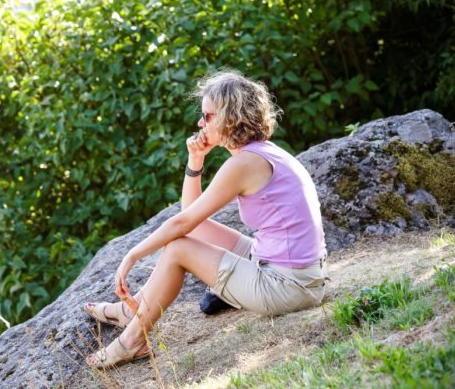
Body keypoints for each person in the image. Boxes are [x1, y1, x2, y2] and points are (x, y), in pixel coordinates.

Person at [83, 69, 328, 368]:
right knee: (191, 236)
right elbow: (192, 217)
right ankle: (129, 311)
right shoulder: (261, 153)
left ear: (230, 117)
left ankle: (132, 341)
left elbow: (182, 224)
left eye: (207, 116)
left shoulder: (246, 163)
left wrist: (132, 255)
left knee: (178, 249)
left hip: (289, 287)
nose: (200, 123)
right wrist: (195, 160)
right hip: (296, 271)